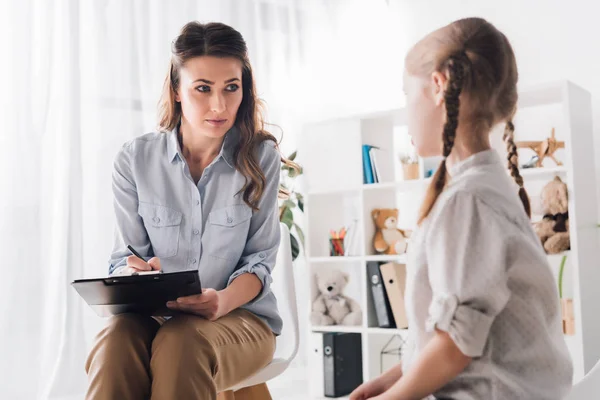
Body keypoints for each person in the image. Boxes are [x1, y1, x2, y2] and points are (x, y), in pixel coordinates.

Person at [351, 17, 573, 400]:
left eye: (407, 95)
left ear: (438, 86)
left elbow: (456, 347)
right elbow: (452, 336)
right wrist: (387, 383)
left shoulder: (467, 201)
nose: (406, 112)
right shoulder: (486, 186)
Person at [85, 21, 294, 400]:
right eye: (203, 89)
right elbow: (125, 257)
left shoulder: (260, 157)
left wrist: (221, 301)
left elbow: (259, 262)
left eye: (231, 87)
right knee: (116, 340)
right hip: (155, 317)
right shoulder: (135, 160)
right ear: (177, 90)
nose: (220, 105)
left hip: (241, 319)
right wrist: (136, 271)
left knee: (182, 343)